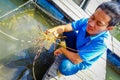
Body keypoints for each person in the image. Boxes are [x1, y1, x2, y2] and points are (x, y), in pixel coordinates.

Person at [46, 1, 120, 76]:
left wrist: (62, 49)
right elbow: (66, 27)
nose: (91, 24)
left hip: (81, 60)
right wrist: (54, 30)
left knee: (65, 67)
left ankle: (61, 70)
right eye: (92, 17)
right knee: (67, 31)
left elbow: (76, 60)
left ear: (109, 28)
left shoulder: (102, 43)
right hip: (76, 46)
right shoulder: (86, 21)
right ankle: (69, 52)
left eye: (99, 24)